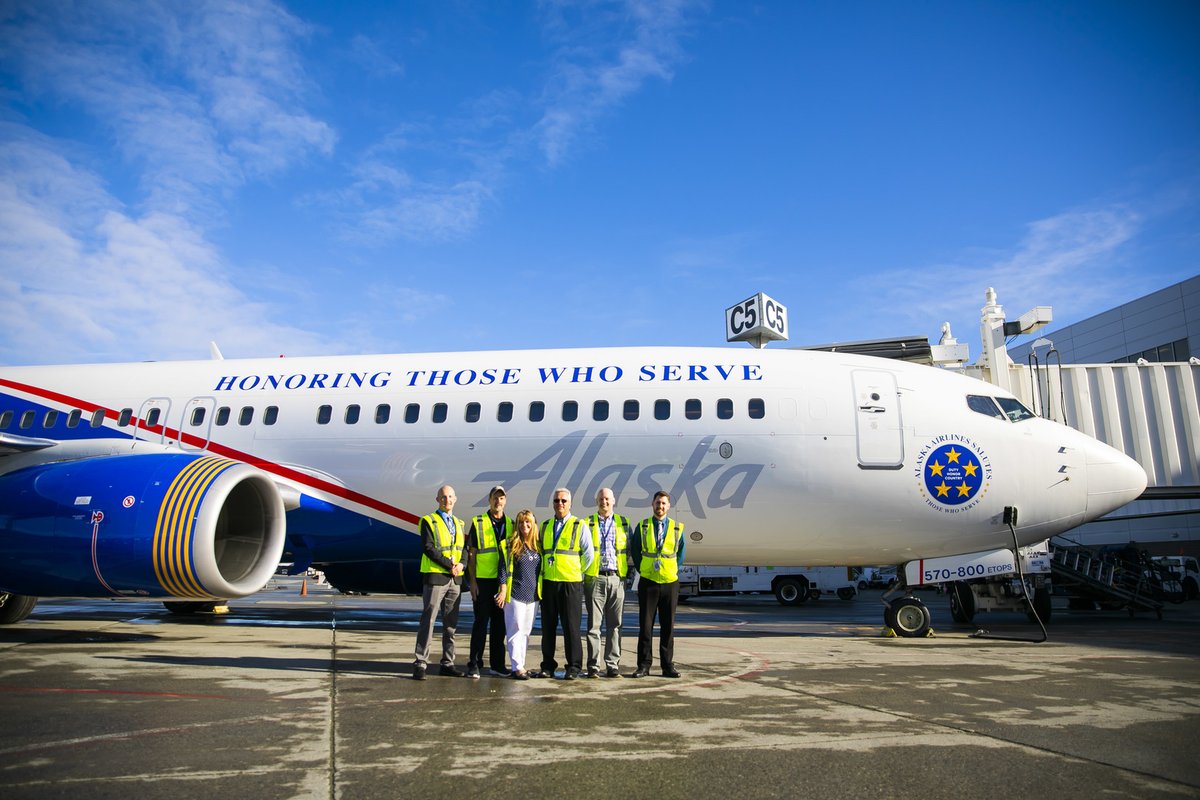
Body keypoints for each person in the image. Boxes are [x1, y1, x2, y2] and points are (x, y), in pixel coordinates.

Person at [531, 487, 593, 680]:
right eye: (557, 501)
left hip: (570, 584)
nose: (560, 504)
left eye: (564, 501)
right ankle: (547, 666)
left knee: (571, 628)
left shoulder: (578, 525)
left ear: (570, 503)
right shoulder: (546, 525)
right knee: (548, 627)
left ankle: (573, 666)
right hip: (550, 583)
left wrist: (575, 571)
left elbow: (588, 555)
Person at [412, 484, 466, 680]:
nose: (447, 500)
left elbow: (464, 548)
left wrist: (462, 565)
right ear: (437, 500)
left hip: (454, 579)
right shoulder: (429, 521)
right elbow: (428, 547)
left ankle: (448, 662)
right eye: (443, 497)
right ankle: (420, 662)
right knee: (429, 620)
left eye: (450, 497)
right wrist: (448, 565)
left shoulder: (459, 523)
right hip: (436, 577)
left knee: (451, 623)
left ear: (455, 499)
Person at [630, 490, 685, 678]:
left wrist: (672, 569)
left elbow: (681, 553)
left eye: (663, 504)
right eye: (657, 503)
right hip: (648, 582)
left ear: (668, 506)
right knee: (645, 626)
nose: (660, 507)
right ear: (652, 505)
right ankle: (643, 665)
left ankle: (667, 665)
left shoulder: (677, 528)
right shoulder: (643, 526)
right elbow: (635, 550)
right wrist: (643, 569)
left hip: (670, 582)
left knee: (668, 626)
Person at [583, 487, 631, 678]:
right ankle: (593, 666)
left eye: (607, 499)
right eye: (601, 499)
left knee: (615, 625)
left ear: (614, 501)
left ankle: (612, 664)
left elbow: (629, 551)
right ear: (597, 501)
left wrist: (627, 577)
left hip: (616, 579)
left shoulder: (623, 523)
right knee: (594, 626)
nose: (604, 502)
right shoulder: (587, 523)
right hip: (595, 578)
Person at [465, 486, 511, 679]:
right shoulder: (479, 522)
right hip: (483, 581)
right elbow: (472, 555)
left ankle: (497, 665)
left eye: (501, 498)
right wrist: (472, 582)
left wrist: (506, 585)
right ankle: (474, 663)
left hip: (501, 582)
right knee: (480, 624)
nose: (498, 502)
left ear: (505, 501)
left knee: (500, 626)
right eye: (495, 498)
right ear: (489, 500)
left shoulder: (511, 523)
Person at [495, 509, 540, 679]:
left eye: (528, 522)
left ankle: (521, 663)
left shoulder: (537, 546)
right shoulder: (510, 545)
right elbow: (502, 568)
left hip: (532, 596)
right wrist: (503, 589)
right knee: (515, 630)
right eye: (521, 522)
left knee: (526, 631)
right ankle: (516, 667)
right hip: (515, 594)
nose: (525, 525)